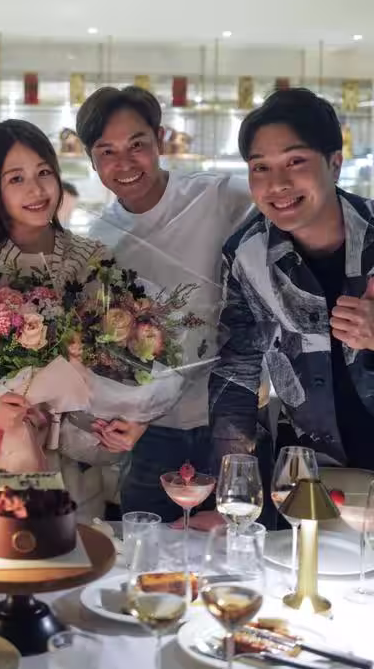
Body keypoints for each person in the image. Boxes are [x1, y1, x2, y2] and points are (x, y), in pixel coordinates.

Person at [75, 85, 254, 522]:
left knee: (239, 542)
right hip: (152, 433)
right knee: (149, 546)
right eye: (107, 152)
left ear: (159, 139)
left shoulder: (219, 197)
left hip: (232, 418)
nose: (124, 163)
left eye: (137, 145)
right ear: (92, 160)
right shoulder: (99, 241)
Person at [210, 88, 374, 473]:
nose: (277, 184)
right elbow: (236, 372)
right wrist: (232, 478)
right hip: (309, 470)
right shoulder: (247, 254)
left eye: (295, 161)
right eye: (260, 167)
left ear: (334, 164)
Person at [0, 120, 112, 517]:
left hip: (82, 446)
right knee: (14, 542)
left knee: (82, 542)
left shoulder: (92, 256)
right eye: (16, 178)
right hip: (9, 444)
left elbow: (114, 348)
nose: (37, 189)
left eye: (44, 172)